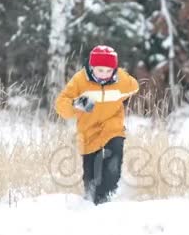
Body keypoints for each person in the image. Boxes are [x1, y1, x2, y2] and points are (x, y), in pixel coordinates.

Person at [55, 45, 139, 205]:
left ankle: (106, 199)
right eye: (100, 70)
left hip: (113, 129)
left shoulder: (121, 79)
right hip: (89, 132)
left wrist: (122, 98)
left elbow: (134, 87)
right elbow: (61, 104)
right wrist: (76, 104)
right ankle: (90, 201)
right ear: (92, 67)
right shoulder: (80, 80)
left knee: (113, 165)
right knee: (91, 176)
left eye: (109, 71)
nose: (105, 75)